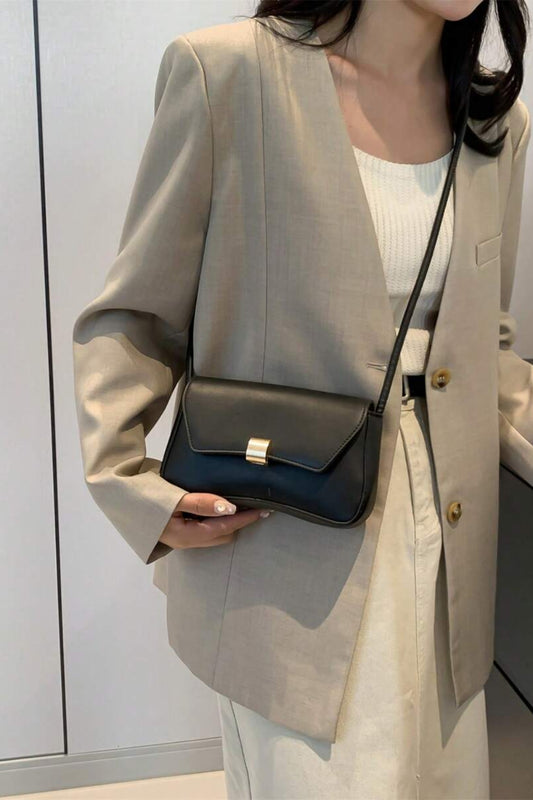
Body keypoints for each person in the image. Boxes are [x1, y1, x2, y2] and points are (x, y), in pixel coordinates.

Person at [72, 1, 532, 797]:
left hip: (450, 546)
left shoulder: (493, 118)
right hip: (286, 538)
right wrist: (128, 484)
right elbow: (139, 310)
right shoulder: (229, 75)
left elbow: (484, 343)